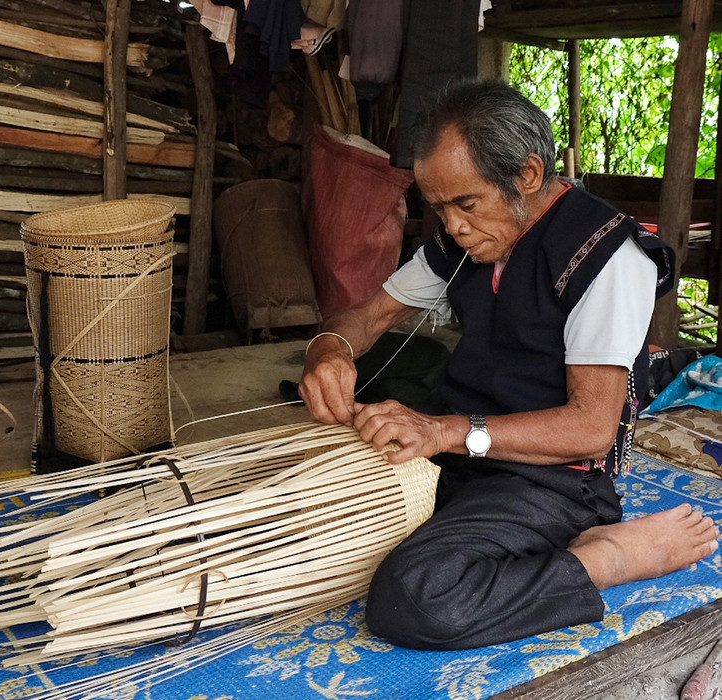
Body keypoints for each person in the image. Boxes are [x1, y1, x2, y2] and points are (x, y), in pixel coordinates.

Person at [299, 80, 720, 650]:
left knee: (415, 595)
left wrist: (446, 431)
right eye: (439, 208)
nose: (451, 226)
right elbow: (367, 317)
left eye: (466, 204)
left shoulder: (605, 256)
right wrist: (329, 350)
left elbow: (593, 429)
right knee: (310, 519)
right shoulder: (464, 242)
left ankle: (608, 558)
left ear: (526, 174)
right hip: (462, 452)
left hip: (553, 479)